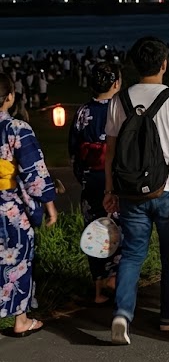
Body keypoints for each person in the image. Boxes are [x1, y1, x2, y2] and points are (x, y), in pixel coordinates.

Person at [104, 36, 169, 345]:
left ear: (134, 65)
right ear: (164, 64)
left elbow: (110, 152)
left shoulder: (117, 101)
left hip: (131, 191)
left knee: (132, 254)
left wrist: (110, 189)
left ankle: (122, 313)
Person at [0, 73, 58, 336]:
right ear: (10, 97)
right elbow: (34, 173)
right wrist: (49, 204)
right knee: (18, 260)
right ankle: (20, 320)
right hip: (8, 208)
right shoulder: (16, 129)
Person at [69, 62, 122, 305]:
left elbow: (74, 151)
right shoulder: (120, 110)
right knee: (118, 228)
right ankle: (115, 280)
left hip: (91, 179)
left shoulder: (82, 112)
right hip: (115, 180)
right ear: (116, 83)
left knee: (95, 232)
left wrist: (84, 175)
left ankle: (99, 288)